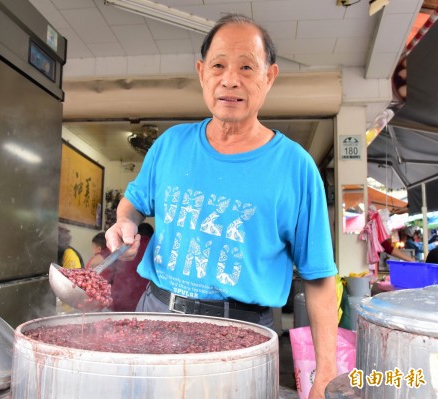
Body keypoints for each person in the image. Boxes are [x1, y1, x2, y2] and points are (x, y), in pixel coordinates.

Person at [104, 14, 338, 399]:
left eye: (247, 66)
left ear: (270, 76)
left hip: (242, 337)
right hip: (157, 317)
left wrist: (325, 372)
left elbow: (319, 277)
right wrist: (125, 224)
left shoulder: (296, 167)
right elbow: (131, 206)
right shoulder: (170, 145)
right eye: (218, 66)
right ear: (202, 73)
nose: (230, 79)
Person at [101, 222, 153, 311]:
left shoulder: (124, 246)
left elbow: (106, 274)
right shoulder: (155, 250)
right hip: (142, 306)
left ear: (135, 235)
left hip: (117, 302)